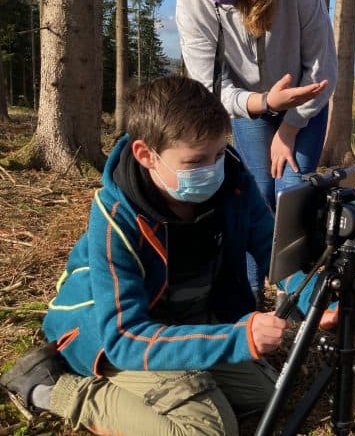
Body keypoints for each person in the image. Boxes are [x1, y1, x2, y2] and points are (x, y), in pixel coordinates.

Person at [0, 76, 335, 435]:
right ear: (146, 154)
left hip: (184, 323)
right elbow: (125, 338)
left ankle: (184, 380)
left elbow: (274, 251)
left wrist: (322, 300)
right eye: (196, 161)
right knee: (208, 430)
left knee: (270, 395)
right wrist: (239, 338)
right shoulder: (116, 216)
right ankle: (57, 389)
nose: (214, 169)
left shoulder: (234, 182)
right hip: (114, 335)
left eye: (220, 153)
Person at [175, 0, 338, 304]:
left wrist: (289, 126)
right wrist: (262, 103)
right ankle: (246, 292)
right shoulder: (191, 4)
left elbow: (322, 69)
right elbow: (209, 88)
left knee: (292, 196)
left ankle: (297, 296)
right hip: (248, 108)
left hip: (304, 105)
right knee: (254, 195)